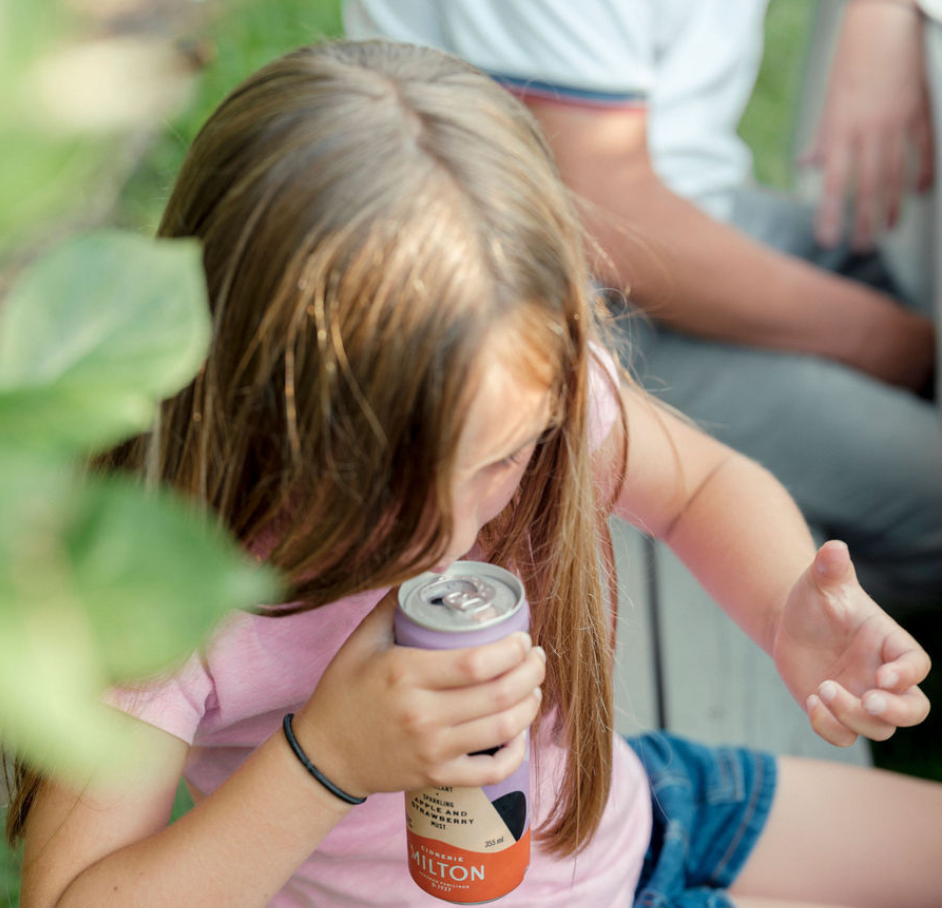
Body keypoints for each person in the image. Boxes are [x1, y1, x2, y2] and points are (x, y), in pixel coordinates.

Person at [12, 41, 942, 908]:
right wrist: (329, 757)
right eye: (385, 490)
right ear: (257, 400)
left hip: (628, 809)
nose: (452, 537)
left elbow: (699, 484)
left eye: (502, 462)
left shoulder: (507, 368)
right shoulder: (159, 579)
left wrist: (789, 603)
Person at [344, 0, 942, 608]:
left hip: (694, 214)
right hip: (571, 296)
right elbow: (604, 225)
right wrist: (903, 348)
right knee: (930, 492)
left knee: (907, 281)